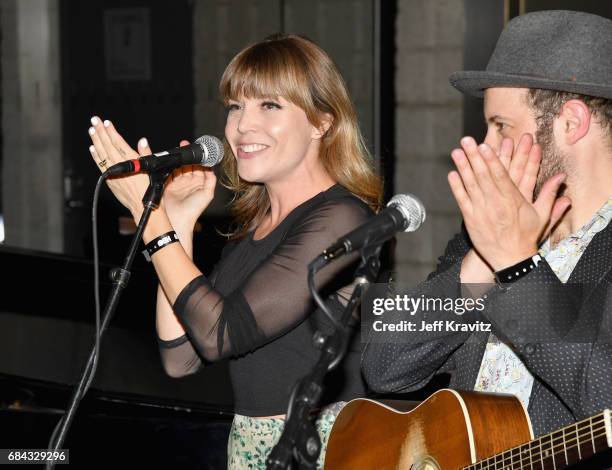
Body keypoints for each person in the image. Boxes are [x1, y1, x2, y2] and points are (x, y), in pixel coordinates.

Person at [88, 34, 382, 468]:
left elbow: (218, 332)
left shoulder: (343, 218)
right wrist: (180, 223)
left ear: (323, 122)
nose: (243, 126)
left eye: (270, 106)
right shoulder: (255, 230)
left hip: (324, 449)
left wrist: (149, 218)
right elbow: (181, 356)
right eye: (236, 106)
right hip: (252, 447)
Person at [362, 9, 612, 441]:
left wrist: (517, 266)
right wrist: (480, 264)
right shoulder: (490, 228)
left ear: (571, 122)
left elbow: (604, 394)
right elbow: (383, 367)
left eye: (501, 127)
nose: (487, 147)